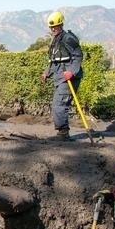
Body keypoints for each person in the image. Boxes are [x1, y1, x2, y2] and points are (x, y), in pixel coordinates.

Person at [40, 11, 83, 141]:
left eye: (56, 26)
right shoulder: (55, 41)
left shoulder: (68, 39)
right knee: (57, 104)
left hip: (69, 78)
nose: (53, 29)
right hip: (59, 77)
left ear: (61, 25)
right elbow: (54, 60)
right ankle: (62, 132)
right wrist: (47, 72)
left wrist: (72, 71)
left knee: (59, 104)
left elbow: (78, 56)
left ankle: (63, 134)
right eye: (51, 27)